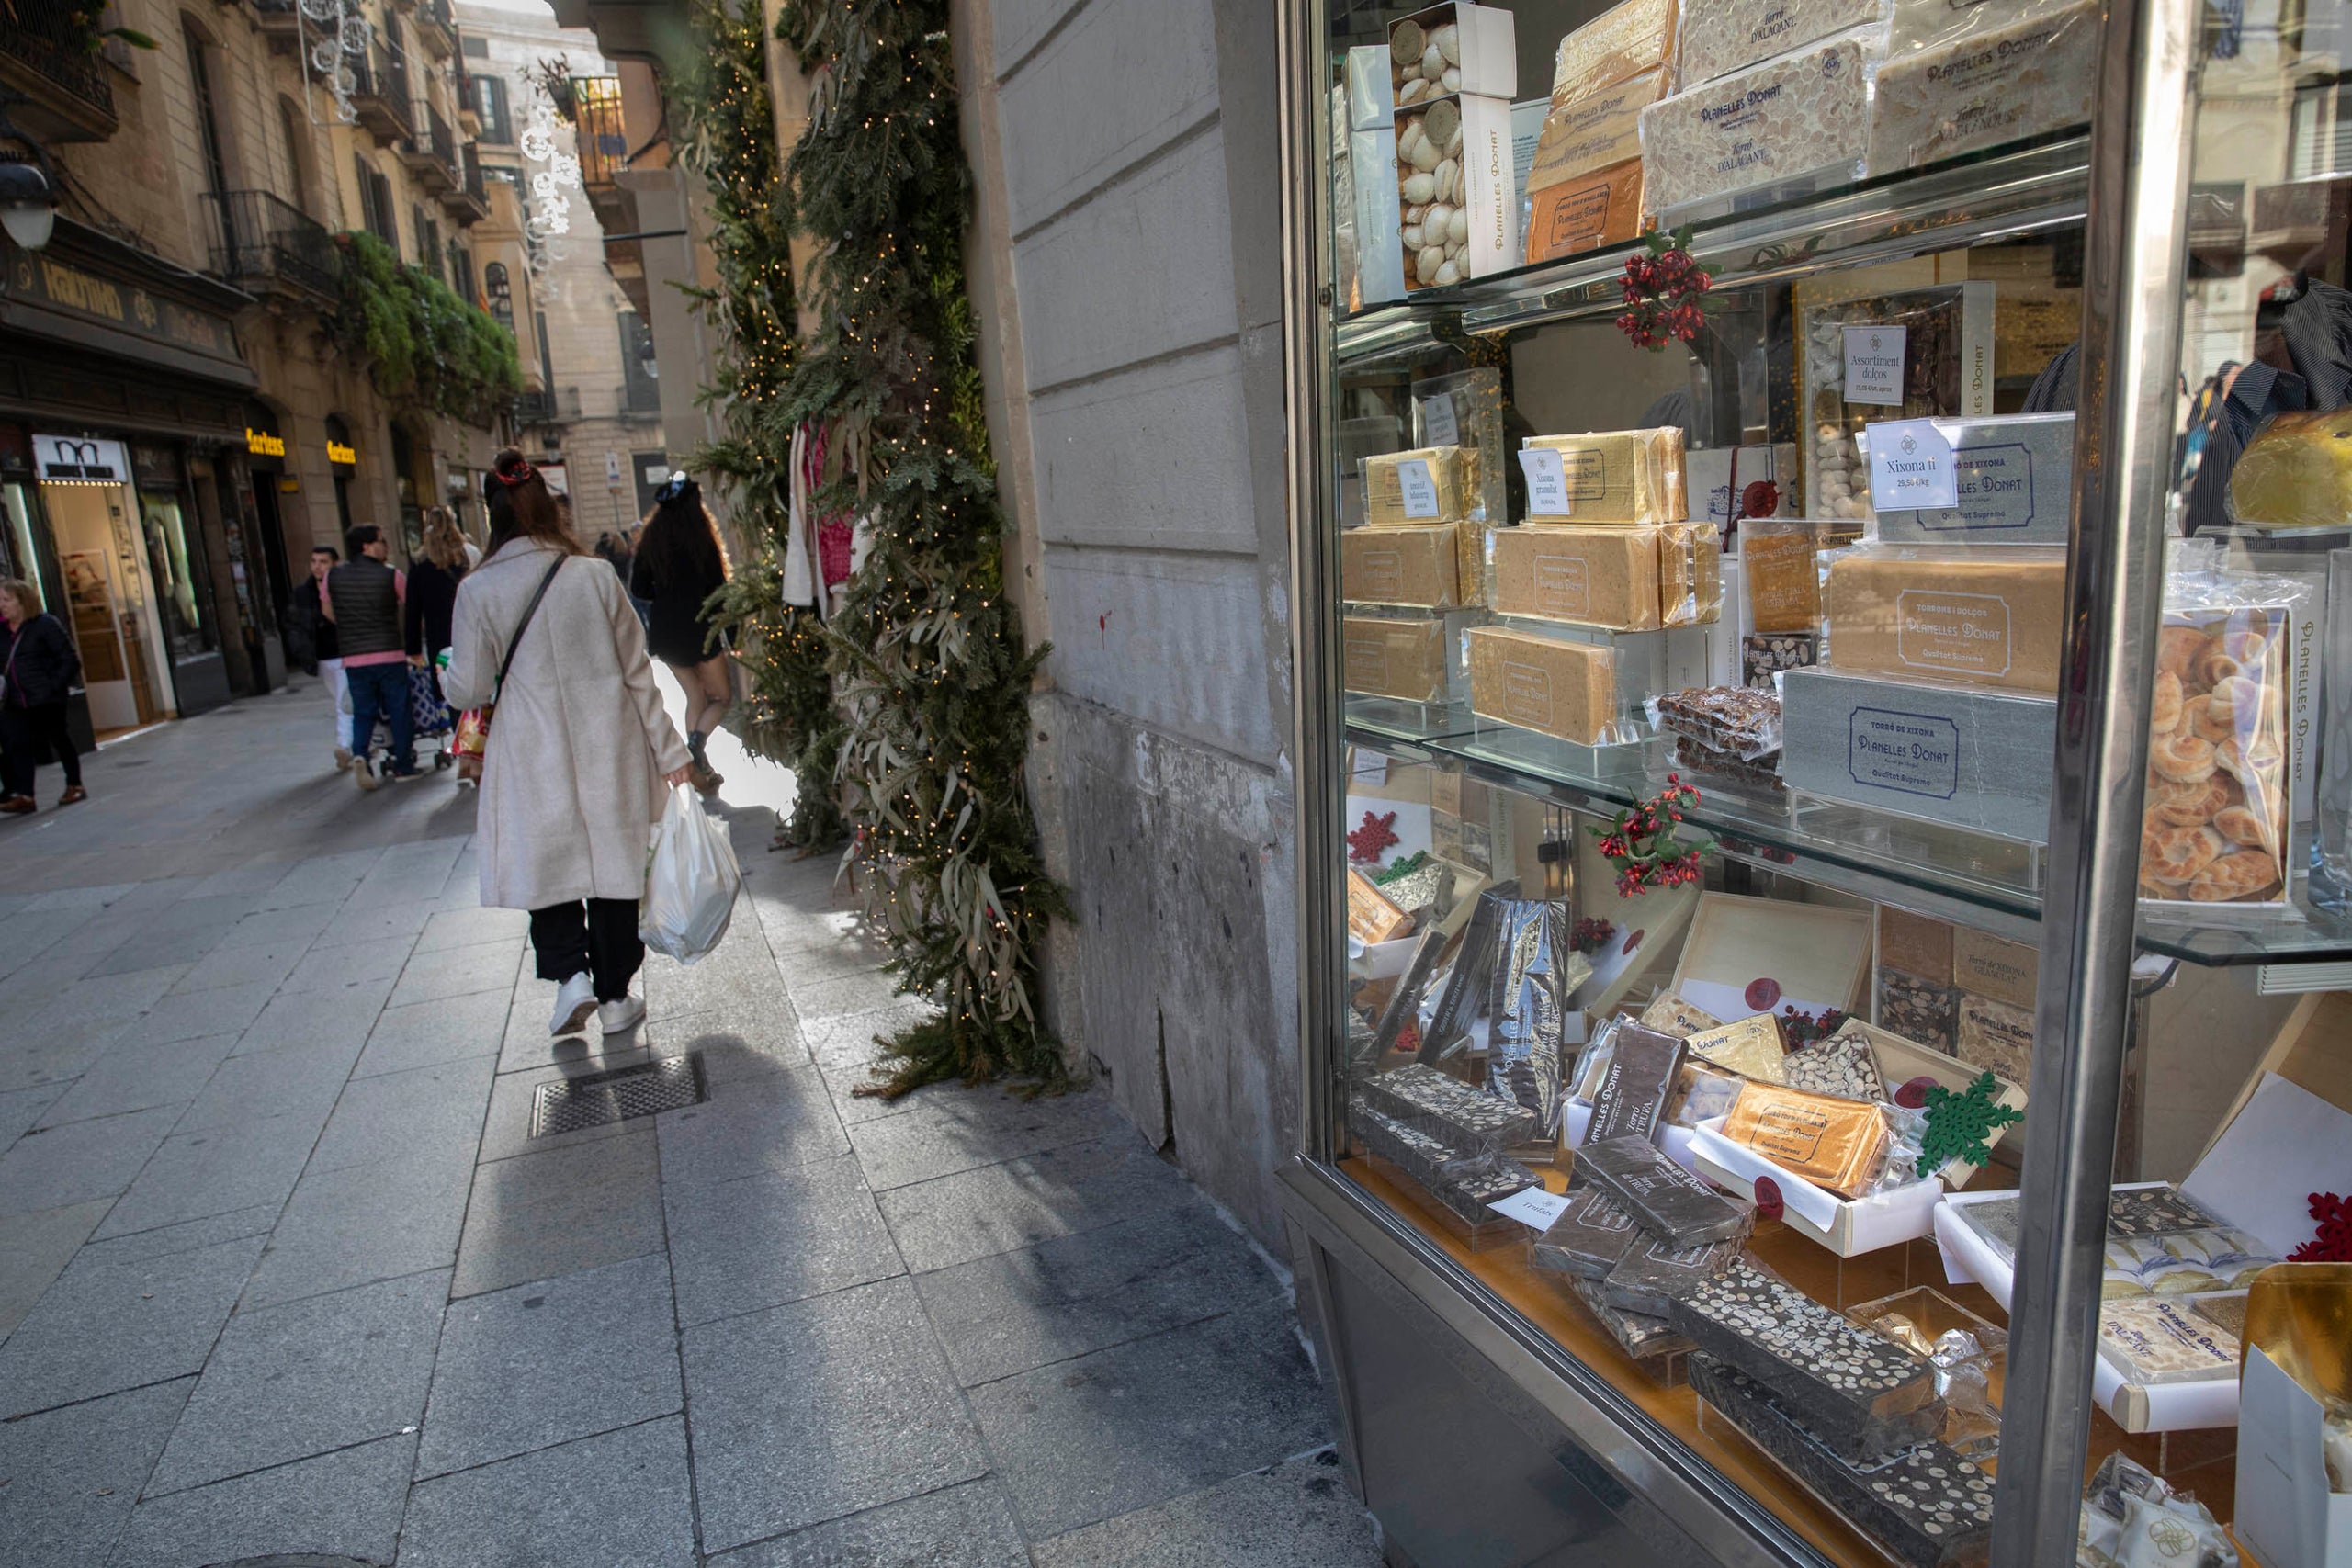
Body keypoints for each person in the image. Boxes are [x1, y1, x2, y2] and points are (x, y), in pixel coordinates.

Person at [444, 448, 693, 1036]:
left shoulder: (477, 591)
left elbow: (470, 688)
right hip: (608, 740)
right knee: (614, 867)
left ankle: (569, 978)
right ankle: (614, 997)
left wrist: (447, 670)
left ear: (492, 513)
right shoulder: (594, 576)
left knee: (546, 862)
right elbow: (639, 673)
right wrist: (672, 750)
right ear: (549, 506)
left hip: (530, 747)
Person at [630, 472, 731, 795]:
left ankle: (700, 769)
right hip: (701, 629)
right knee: (721, 697)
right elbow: (721, 591)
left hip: (667, 635)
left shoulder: (652, 540)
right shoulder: (702, 539)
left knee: (695, 697)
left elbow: (639, 589)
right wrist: (734, 633)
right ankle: (696, 746)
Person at [322, 524, 418, 788]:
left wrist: (350, 626)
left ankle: (361, 754)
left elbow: (328, 612)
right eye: (381, 541)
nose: (385, 545)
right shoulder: (391, 575)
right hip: (390, 653)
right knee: (399, 709)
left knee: (363, 711)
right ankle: (403, 764)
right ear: (366, 546)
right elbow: (409, 608)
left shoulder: (332, 576)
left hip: (354, 657)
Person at [0, 578, 84, 814]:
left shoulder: (45, 624)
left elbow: (69, 659)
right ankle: (26, 795)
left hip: (46, 697)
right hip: (15, 700)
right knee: (18, 744)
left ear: (22, 601)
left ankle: (75, 784)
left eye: (6, 600)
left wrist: (52, 687)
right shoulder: (2, 632)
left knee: (59, 738)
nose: (2, 605)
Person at [294, 545, 353, 770]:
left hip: (343, 651)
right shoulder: (303, 592)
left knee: (343, 701)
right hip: (321, 656)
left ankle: (344, 745)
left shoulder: (342, 587)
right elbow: (296, 623)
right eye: (314, 561)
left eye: (323, 562)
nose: (317, 567)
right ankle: (354, 743)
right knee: (342, 699)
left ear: (334, 564)